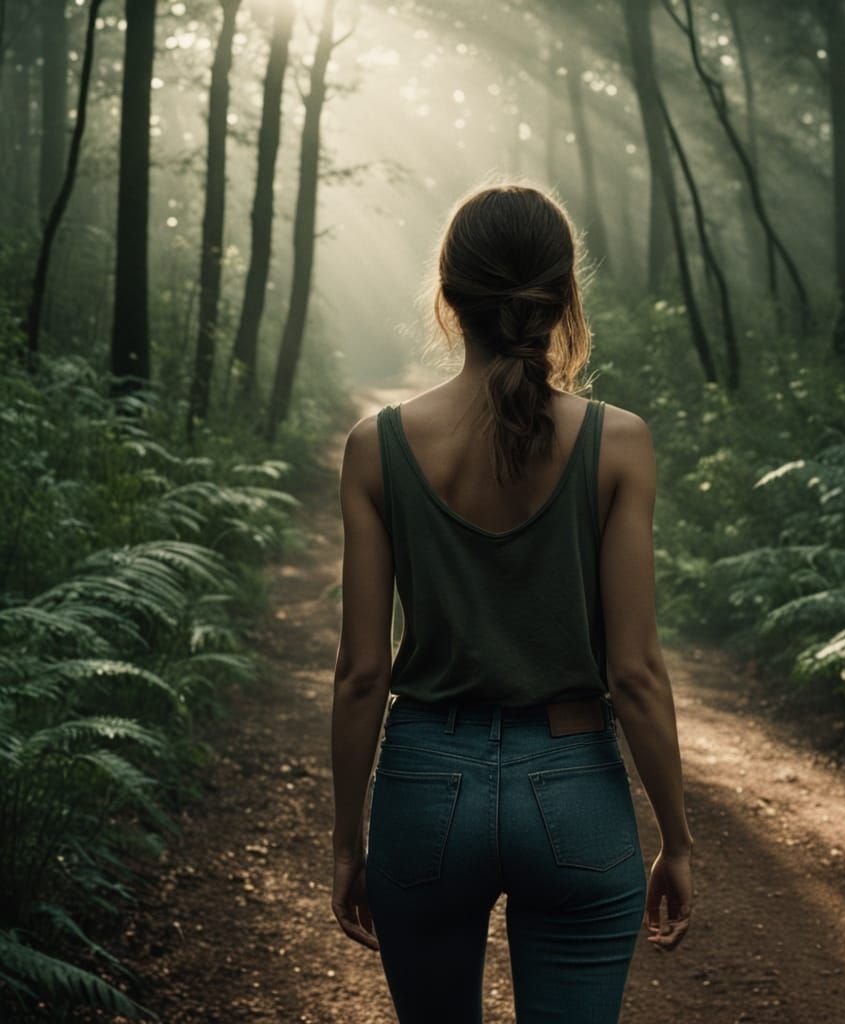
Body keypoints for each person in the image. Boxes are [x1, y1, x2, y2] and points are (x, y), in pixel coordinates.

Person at [329, 180, 695, 1023]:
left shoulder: (376, 449)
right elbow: (635, 673)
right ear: (565, 296)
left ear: (448, 299)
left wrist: (349, 841)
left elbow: (360, 672)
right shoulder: (619, 443)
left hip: (424, 788)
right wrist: (675, 841)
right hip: (574, 789)